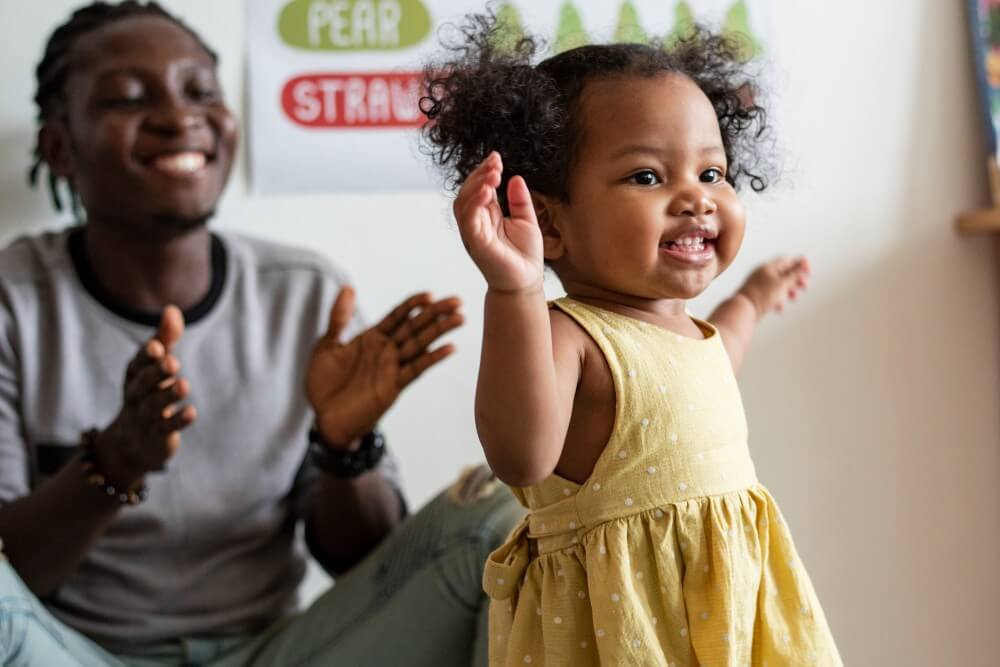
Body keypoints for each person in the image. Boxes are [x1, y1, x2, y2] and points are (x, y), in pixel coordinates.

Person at [0, 2, 522, 665]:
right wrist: (112, 461)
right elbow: (17, 573)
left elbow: (371, 568)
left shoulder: (305, 294)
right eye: (129, 99)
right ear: (59, 148)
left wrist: (343, 446)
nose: (177, 116)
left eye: (200, 92)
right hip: (70, 652)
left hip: (277, 652)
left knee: (500, 515)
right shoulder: (13, 302)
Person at [421, 15, 842, 666]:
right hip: (626, 633)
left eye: (711, 173)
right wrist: (516, 291)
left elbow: (710, 366)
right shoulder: (571, 334)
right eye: (648, 177)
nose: (696, 200)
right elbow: (523, 454)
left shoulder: (684, 330)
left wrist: (752, 301)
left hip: (728, 624)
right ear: (551, 223)